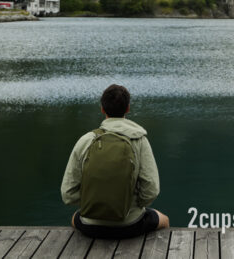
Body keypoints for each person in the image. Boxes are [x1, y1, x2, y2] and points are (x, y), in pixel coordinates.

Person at [61, 84, 170, 238]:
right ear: (128, 109)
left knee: (74, 218)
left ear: (102, 109)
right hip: (130, 225)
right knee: (164, 220)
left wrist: (95, 201)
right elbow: (151, 190)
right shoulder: (139, 140)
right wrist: (133, 204)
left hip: (90, 226)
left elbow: (68, 194)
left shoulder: (86, 141)